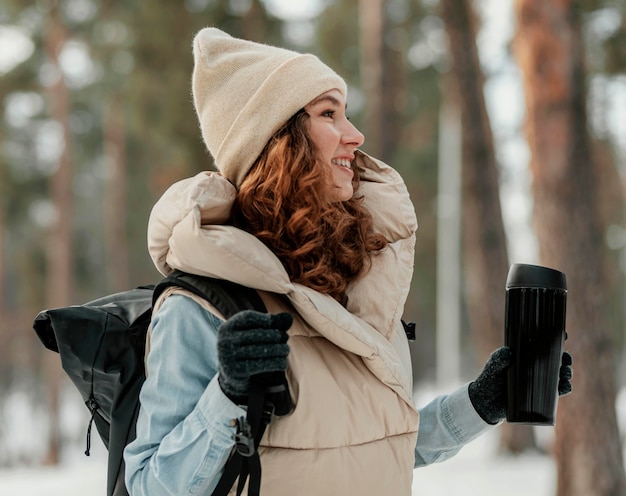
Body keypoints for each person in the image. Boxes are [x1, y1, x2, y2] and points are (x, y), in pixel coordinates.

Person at [123, 27, 572, 496]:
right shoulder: (202, 304)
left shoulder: (348, 281)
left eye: (347, 113)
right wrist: (229, 393)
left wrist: (482, 402)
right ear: (279, 140)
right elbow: (149, 486)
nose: (354, 136)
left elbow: (368, 448)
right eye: (328, 114)